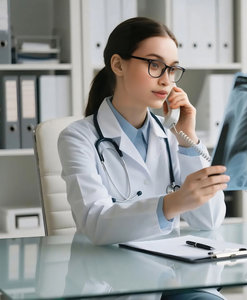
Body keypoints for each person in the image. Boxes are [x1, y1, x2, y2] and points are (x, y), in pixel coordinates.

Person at [58, 17, 229, 247]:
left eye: (172, 69)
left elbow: (209, 221)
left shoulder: (172, 134)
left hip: (167, 272)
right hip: (109, 274)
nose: (166, 81)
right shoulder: (78, 138)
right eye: (155, 65)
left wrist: (188, 140)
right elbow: (95, 223)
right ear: (118, 65)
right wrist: (171, 204)